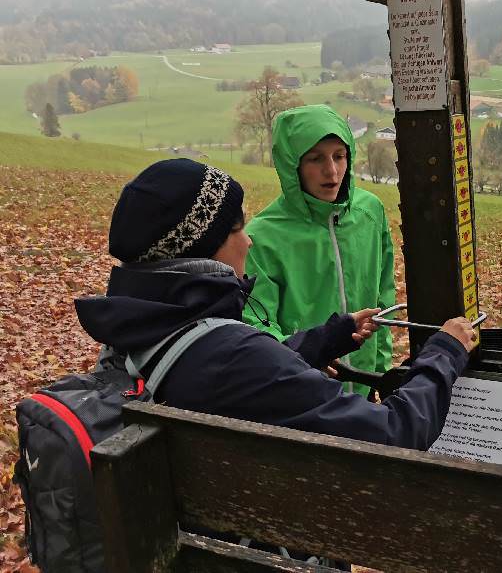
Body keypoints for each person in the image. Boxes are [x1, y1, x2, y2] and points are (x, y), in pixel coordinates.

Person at [75, 158, 475, 447]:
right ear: (200, 250)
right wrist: (444, 351)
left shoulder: (140, 327)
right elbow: (395, 432)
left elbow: (243, 374)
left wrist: (327, 339)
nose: (248, 240)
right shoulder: (234, 354)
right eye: (236, 228)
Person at [243, 105, 394, 395]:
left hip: (364, 390)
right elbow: (258, 329)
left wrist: (380, 372)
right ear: (292, 165)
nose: (332, 170)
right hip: (302, 394)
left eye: (340, 156)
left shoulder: (370, 212)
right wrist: (306, 360)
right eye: (315, 159)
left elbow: (382, 299)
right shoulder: (262, 237)